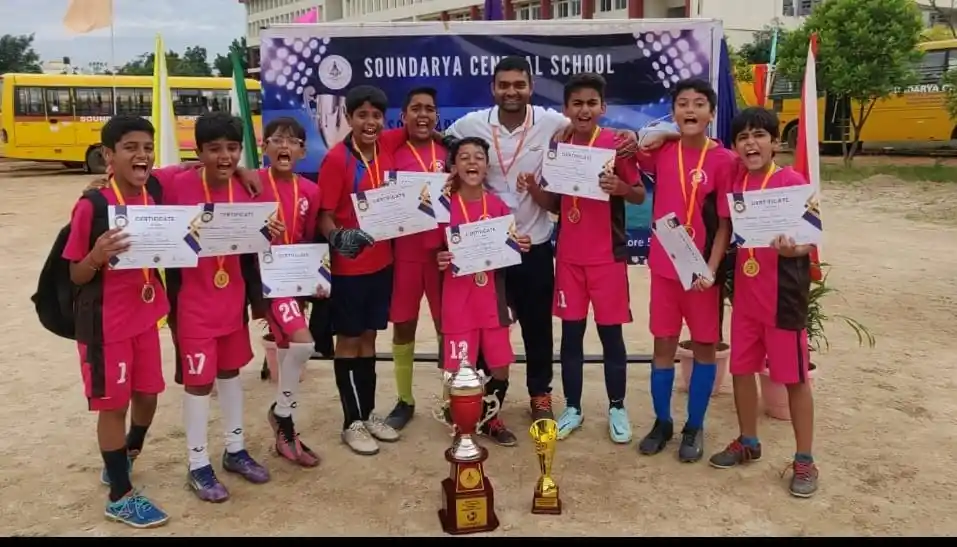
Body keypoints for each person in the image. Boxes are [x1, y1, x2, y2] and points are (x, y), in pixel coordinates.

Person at [444, 56, 639, 431]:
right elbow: (441, 142)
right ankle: (487, 402)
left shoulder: (554, 123)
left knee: (538, 329)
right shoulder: (471, 124)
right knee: (490, 327)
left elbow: (596, 129)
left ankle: (540, 395)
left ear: (531, 88)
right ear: (493, 89)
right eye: (504, 84)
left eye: (519, 84)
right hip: (487, 250)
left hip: (534, 244)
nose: (511, 91)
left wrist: (635, 138)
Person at [519, 73, 646, 444]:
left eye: (592, 103)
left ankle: (617, 407)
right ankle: (573, 407)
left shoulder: (615, 145)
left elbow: (638, 194)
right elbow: (556, 204)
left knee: (611, 337)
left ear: (602, 108)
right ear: (566, 109)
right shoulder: (559, 147)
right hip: (570, 260)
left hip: (607, 258)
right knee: (571, 338)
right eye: (577, 103)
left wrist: (619, 188)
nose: (584, 109)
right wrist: (534, 189)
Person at [163, 112, 280, 502]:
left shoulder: (250, 189)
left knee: (231, 373)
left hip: (231, 302)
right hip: (193, 304)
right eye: (214, 150)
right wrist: (99, 185)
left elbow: (263, 237)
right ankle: (197, 464)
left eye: (232, 148)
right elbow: (136, 182)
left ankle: (235, 450)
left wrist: (272, 231)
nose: (225, 157)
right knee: (199, 383)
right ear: (198, 152)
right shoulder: (177, 184)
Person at [63, 115, 170, 527]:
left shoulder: (154, 192)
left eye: (147, 147)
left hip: (146, 317)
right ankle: (120, 495)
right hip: (105, 326)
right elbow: (75, 274)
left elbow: (189, 170)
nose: (141, 155)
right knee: (114, 406)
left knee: (149, 394)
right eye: (130, 147)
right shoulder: (92, 205)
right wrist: (96, 256)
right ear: (108, 155)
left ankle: (126, 453)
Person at [708, 107, 819, 498]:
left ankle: (804, 458)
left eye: (758, 135)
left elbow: (810, 239)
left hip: (782, 297)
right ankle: (748, 441)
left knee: (793, 378)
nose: (750, 143)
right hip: (747, 296)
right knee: (741, 368)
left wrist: (794, 250)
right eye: (743, 137)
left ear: (776, 142)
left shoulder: (793, 182)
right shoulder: (736, 181)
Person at [635, 78, 736, 463]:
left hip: (701, 273)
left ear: (711, 113)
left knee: (705, 347)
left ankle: (695, 425)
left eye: (698, 104)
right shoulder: (664, 151)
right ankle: (662, 422)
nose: (690, 110)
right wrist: (660, 135)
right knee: (663, 344)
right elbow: (638, 144)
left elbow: (725, 224)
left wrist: (710, 269)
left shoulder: (723, 159)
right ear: (673, 111)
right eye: (682, 104)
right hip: (664, 267)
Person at [317, 85, 400, 455]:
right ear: (349, 119)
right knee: (348, 341)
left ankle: (368, 415)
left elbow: (423, 127)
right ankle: (350, 421)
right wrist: (337, 239)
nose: (370, 122)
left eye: (376, 116)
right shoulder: (337, 159)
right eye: (362, 115)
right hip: (350, 268)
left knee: (369, 338)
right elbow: (324, 214)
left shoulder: (388, 147)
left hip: (383, 263)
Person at [438, 136, 531, 433]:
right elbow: (431, 251)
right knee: (458, 369)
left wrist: (519, 244)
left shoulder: (499, 207)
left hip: (492, 297)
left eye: (478, 157)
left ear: (487, 165)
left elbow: (508, 248)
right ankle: (464, 421)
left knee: (500, 364)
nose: (471, 162)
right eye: (464, 157)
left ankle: (490, 417)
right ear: (454, 166)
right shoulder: (444, 207)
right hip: (458, 298)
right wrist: (438, 257)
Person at [256, 116, 327, 467]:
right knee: (304, 343)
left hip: (291, 282)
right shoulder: (252, 183)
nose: (284, 146)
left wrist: (314, 280)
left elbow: (308, 241)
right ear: (264, 146)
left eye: (292, 141)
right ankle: (282, 414)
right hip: (262, 282)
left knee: (289, 348)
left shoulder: (310, 191)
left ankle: (284, 424)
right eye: (277, 140)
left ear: (302, 150)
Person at [377, 87, 448, 430]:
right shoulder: (391, 145)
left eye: (429, 109)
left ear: (437, 114)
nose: (423, 115)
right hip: (403, 254)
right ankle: (405, 400)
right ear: (403, 115)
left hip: (440, 254)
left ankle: (452, 399)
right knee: (403, 325)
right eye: (415, 109)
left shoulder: (447, 148)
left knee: (446, 327)